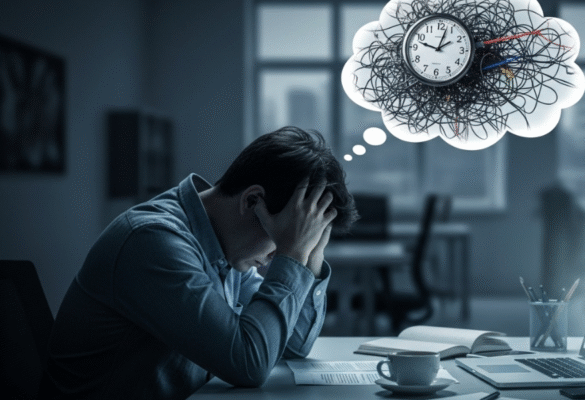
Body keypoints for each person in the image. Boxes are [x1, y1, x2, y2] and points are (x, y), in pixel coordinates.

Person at [42, 127, 358, 399]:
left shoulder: (225, 248)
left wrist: (309, 253)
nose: (279, 252)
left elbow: (292, 344)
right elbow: (249, 364)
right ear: (252, 202)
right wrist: (291, 255)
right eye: (287, 234)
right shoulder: (152, 242)